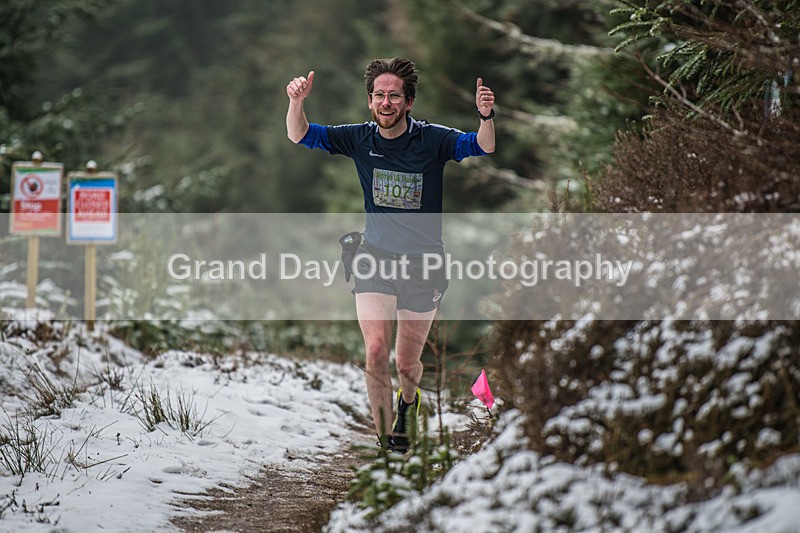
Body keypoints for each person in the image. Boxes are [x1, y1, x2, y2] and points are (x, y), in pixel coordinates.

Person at [286, 57, 495, 453]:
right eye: (379, 95)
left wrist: (486, 116)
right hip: (374, 259)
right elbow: (300, 135)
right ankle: (388, 443)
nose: (386, 102)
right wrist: (297, 101)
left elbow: (483, 145)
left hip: (424, 265)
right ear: (370, 102)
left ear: (409, 102)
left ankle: (408, 405)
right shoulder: (359, 138)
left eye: (394, 96)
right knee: (377, 350)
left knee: (406, 364)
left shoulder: (433, 140)